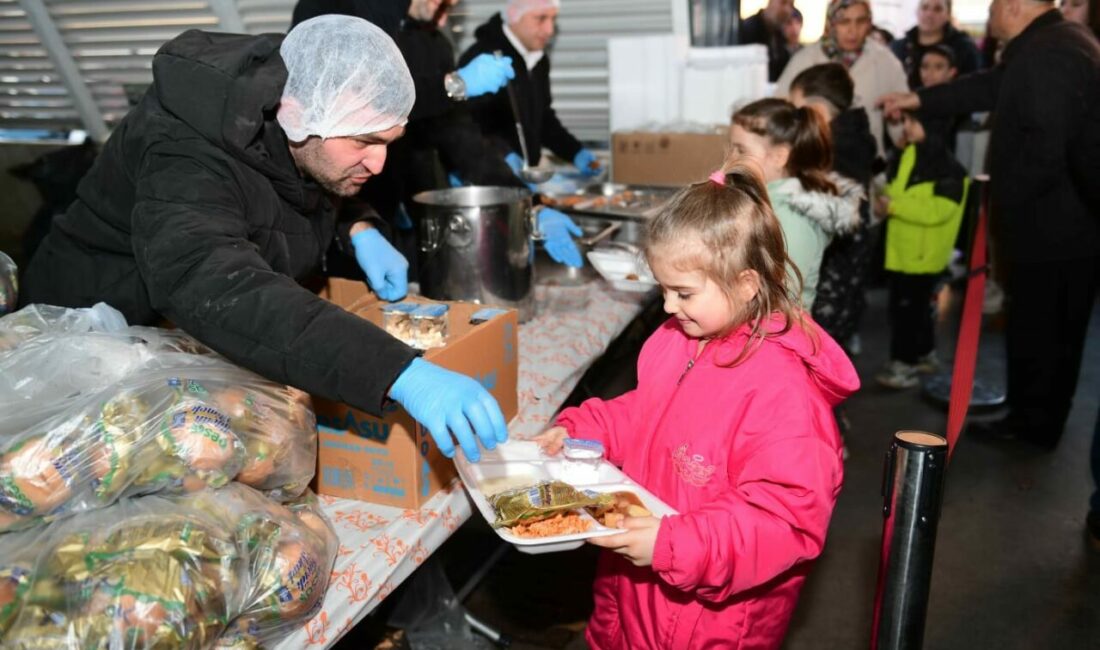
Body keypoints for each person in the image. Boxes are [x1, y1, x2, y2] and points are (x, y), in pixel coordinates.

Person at [18, 16, 508, 463]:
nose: (378, 165)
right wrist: (396, 372)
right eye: (364, 142)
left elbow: (298, 181)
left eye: (388, 143)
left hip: (171, 341)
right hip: (81, 342)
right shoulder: (186, 151)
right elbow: (213, 281)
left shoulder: (299, 105)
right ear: (299, 115)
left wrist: (356, 224)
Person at [532, 164, 859, 650]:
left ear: (747, 284)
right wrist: (582, 430)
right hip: (633, 584)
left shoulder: (784, 396)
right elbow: (646, 413)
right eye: (662, 290)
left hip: (706, 618)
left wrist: (672, 545)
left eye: (683, 293)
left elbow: (783, 521)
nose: (666, 307)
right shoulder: (679, 338)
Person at [879, 0, 1100, 449]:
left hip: (1056, 229)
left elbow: (1044, 151)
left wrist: (996, 206)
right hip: (1061, 225)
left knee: (1045, 334)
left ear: (1015, 7)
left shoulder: (1049, 54)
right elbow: (988, 87)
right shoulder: (1048, 43)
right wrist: (919, 98)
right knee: (1042, 329)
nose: (992, 10)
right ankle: (1029, 415)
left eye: (996, 3)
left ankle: (1033, 429)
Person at [291, 0, 584, 269]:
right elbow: (358, 97)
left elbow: (462, 138)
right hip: (338, 206)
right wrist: (452, 85)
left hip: (402, 208)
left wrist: (528, 204)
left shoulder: (433, 43)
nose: (448, 9)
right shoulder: (336, 8)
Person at [729, 98, 862, 310]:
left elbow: (780, 297)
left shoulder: (792, 217)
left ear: (779, 156)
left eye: (741, 150)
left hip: (777, 332)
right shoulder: (763, 201)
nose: (731, 158)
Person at [874, 109, 969, 389]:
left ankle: (904, 364)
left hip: (922, 254)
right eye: (907, 121)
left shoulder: (949, 169)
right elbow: (900, 189)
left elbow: (938, 211)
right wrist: (886, 195)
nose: (907, 127)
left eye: (914, 121)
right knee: (916, 308)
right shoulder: (911, 155)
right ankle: (925, 353)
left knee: (907, 312)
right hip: (905, 249)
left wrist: (893, 206)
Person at [789, 63, 878, 355]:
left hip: (838, 261)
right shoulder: (854, 132)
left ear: (818, 110)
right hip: (851, 253)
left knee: (821, 341)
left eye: (798, 110)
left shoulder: (835, 149)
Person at [458, 0, 604, 176]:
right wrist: (502, 156)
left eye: (553, 19)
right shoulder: (482, 61)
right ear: (513, 15)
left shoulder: (538, 60)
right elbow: (466, 126)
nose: (549, 30)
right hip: (490, 178)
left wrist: (575, 152)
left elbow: (543, 119)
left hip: (528, 175)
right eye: (540, 18)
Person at [775, 0, 909, 156]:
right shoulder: (806, 59)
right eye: (844, 21)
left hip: (868, 167)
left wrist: (897, 121)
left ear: (869, 23)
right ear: (831, 23)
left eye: (861, 21)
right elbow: (781, 110)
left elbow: (904, 130)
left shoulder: (885, 61)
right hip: (815, 164)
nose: (853, 30)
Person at [890, 0, 981, 88]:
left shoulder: (964, 49)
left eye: (937, 9)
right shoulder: (898, 48)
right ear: (917, 11)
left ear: (948, 15)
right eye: (925, 7)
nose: (929, 14)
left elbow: (973, 87)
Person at [738, 0, 798, 82]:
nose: (787, 10)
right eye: (783, 2)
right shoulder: (748, 30)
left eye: (791, 5)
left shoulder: (780, 37)